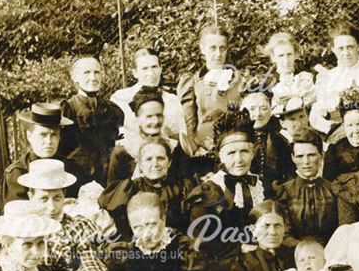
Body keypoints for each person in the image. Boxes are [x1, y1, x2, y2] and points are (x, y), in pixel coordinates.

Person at [183, 112, 266, 271]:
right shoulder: (209, 191)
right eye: (231, 153)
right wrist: (239, 247)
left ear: (253, 153)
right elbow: (202, 240)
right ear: (220, 156)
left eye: (244, 151)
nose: (239, 160)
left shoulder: (262, 186)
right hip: (223, 267)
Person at [100, 140, 192, 240]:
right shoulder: (128, 190)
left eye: (160, 158)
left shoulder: (182, 188)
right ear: (140, 164)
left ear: (169, 162)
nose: (155, 164)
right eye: (148, 159)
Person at [311, 21, 359, 137]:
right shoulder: (327, 77)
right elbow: (316, 114)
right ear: (333, 49)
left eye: (350, 47)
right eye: (341, 48)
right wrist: (332, 128)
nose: (346, 53)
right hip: (338, 133)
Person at [177, 25, 245, 155]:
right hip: (204, 146)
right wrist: (195, 147)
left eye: (222, 48)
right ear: (202, 49)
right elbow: (188, 121)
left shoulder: (238, 79)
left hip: (236, 145)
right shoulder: (192, 81)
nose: (218, 54)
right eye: (212, 48)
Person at [2, 102, 89, 204]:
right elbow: (17, 215)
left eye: (54, 135)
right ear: (29, 136)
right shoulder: (18, 173)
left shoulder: (71, 168)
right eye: (43, 135)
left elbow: (83, 206)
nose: (48, 141)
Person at [106, 88, 191, 185]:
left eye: (158, 115)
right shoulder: (123, 151)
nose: (155, 121)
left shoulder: (174, 146)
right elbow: (113, 191)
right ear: (138, 119)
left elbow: (184, 183)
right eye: (149, 116)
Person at [60, 56, 124, 184]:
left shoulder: (111, 110)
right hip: (78, 180)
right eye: (86, 73)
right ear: (75, 77)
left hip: (109, 179)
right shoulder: (68, 110)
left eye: (97, 72)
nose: (93, 78)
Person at [273, 129, 340, 244]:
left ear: (321, 155)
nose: (306, 161)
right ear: (293, 158)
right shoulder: (282, 191)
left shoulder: (334, 190)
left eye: (311, 155)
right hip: (293, 254)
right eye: (300, 156)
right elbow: (282, 233)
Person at [110, 47, 186, 140]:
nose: (151, 73)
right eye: (144, 68)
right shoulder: (121, 98)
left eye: (154, 67)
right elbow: (121, 135)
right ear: (135, 73)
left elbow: (182, 135)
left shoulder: (172, 100)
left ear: (160, 69)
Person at [243, 90, 295, 192]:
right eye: (252, 109)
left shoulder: (282, 137)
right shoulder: (239, 137)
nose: (258, 114)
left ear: (270, 110)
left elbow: (291, 170)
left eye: (263, 108)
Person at [261, 31, 316, 113]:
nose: (286, 61)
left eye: (289, 54)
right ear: (273, 57)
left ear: (296, 54)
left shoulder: (306, 76)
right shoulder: (268, 83)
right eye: (281, 56)